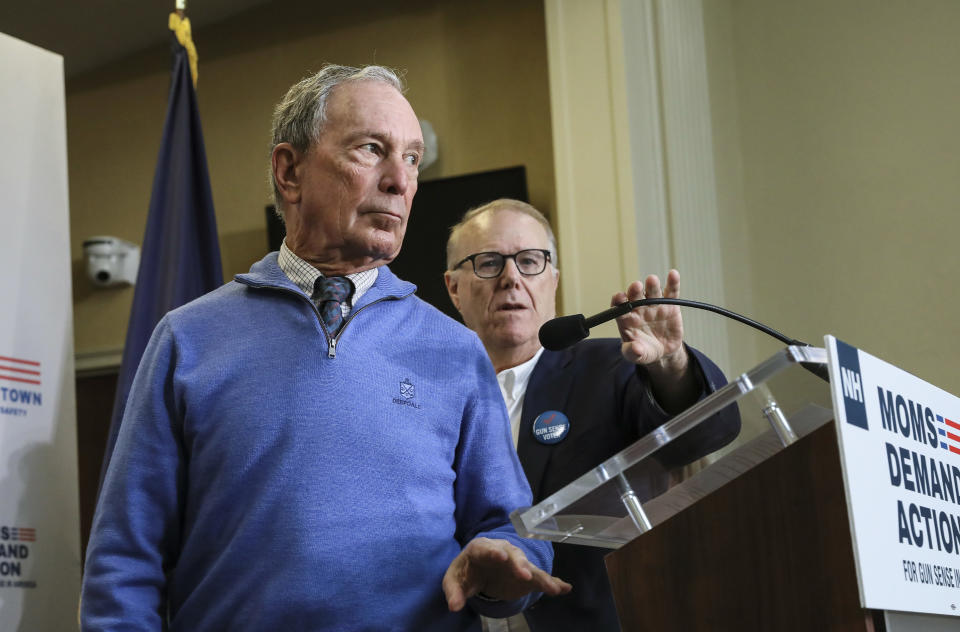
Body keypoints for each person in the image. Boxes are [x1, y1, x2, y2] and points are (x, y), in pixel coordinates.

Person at [80, 66, 569, 631]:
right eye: (371, 150)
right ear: (289, 173)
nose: (400, 181)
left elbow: (512, 534)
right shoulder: (187, 339)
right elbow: (124, 563)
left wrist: (509, 566)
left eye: (411, 159)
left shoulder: (455, 349)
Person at [444, 199, 741, 631]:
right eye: (489, 263)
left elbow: (707, 433)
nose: (511, 278)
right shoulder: (425, 395)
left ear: (554, 280)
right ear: (454, 287)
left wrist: (671, 366)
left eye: (529, 261)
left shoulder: (611, 369)